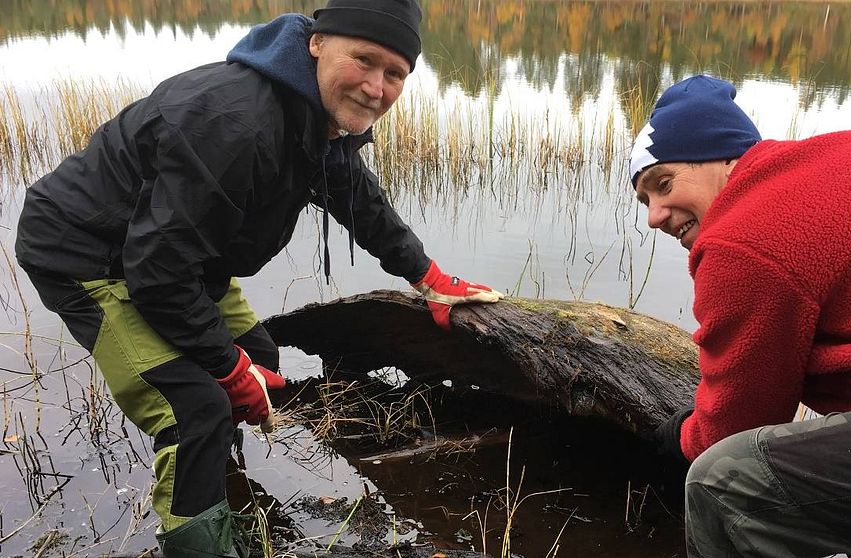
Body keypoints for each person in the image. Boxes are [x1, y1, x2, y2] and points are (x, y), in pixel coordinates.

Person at [14, 0, 503, 555]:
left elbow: (357, 198)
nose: (375, 87)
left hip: (175, 255)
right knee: (194, 409)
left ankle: (220, 492)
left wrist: (428, 276)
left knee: (260, 354)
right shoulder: (236, 122)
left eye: (396, 74)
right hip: (86, 254)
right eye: (363, 60)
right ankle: (201, 541)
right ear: (317, 43)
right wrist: (225, 370)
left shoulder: (312, 111)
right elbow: (156, 272)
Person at [629, 75, 851, 557]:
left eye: (664, 183)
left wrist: (683, 434)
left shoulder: (743, 237)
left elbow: (736, 424)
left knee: (724, 486)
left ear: (723, 158)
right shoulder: (831, 173)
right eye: (645, 200)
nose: (655, 215)